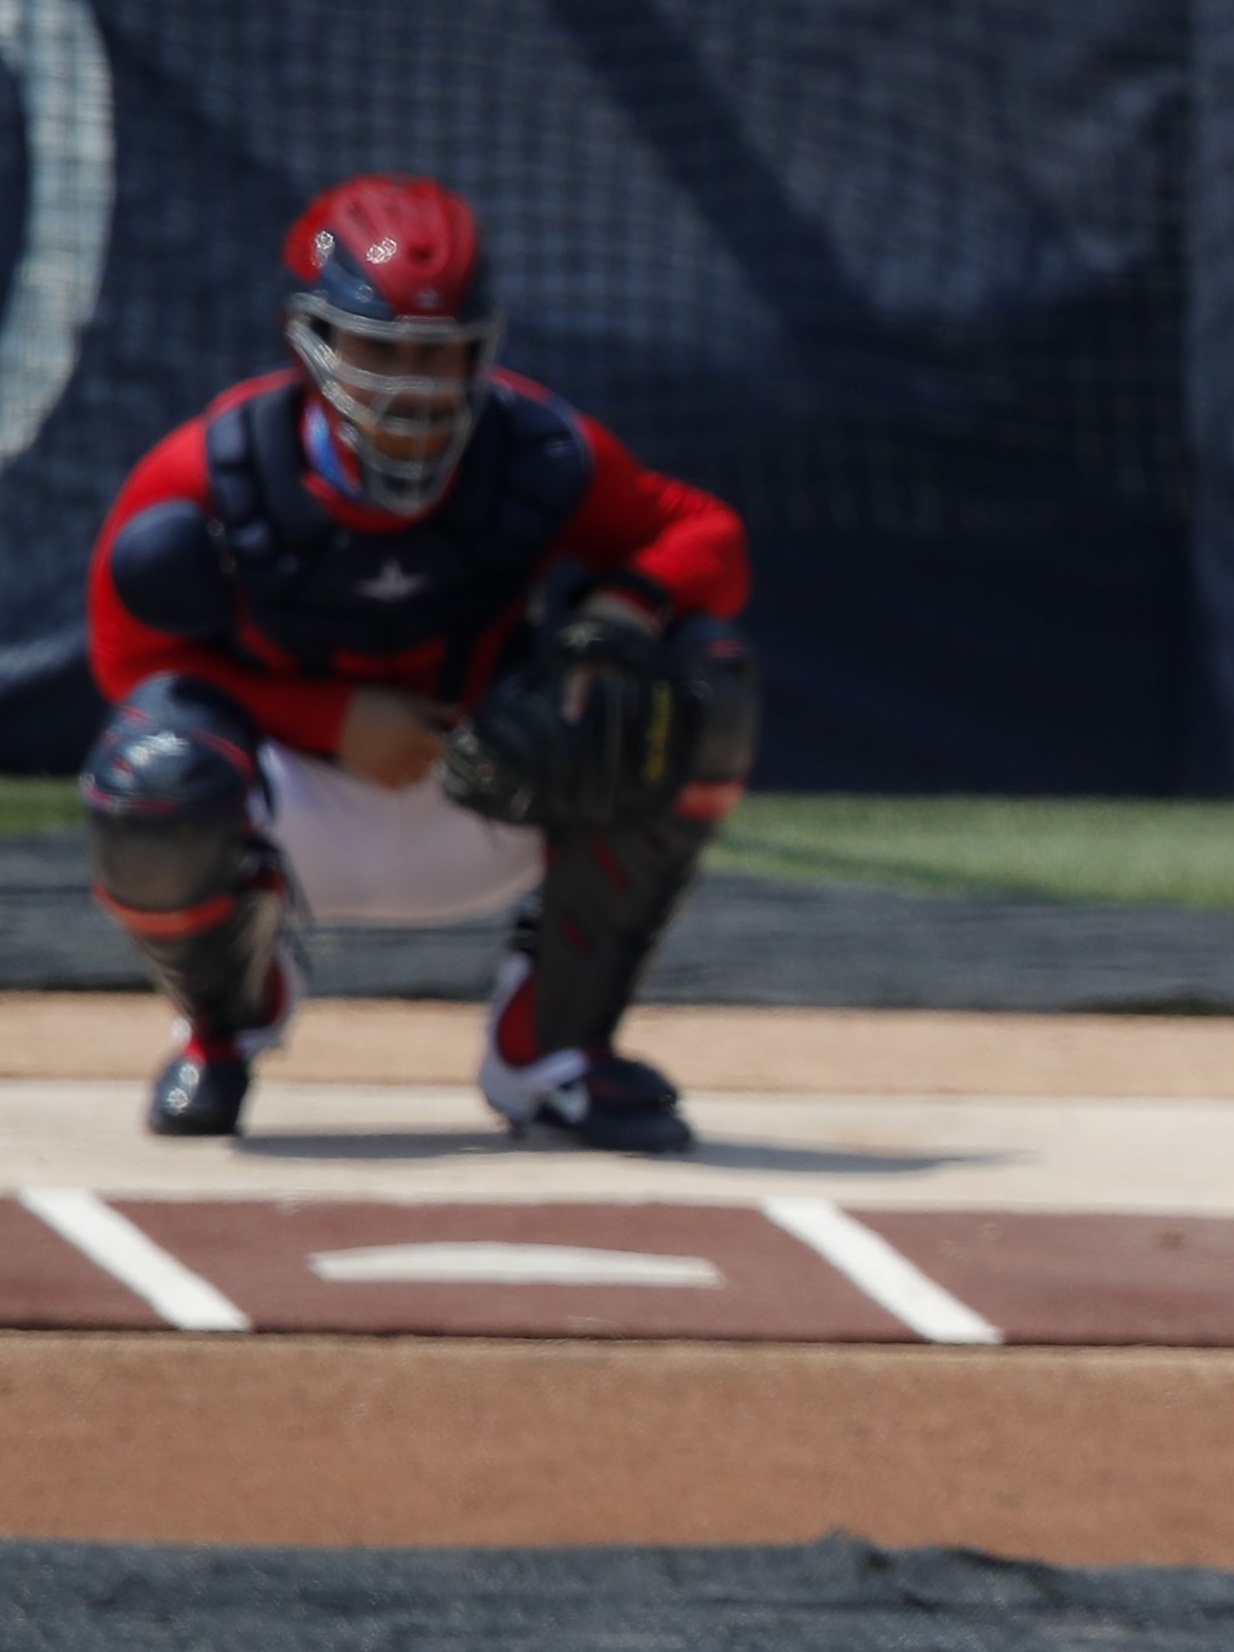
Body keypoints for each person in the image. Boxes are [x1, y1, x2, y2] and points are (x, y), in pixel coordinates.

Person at [77, 174, 756, 1150]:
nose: (416, 387)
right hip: (290, 801)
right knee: (150, 774)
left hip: (490, 778)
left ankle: (553, 1050)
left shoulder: (535, 447)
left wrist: (622, 607)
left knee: (703, 679)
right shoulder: (210, 469)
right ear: (311, 343)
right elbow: (126, 663)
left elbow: (709, 537)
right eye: (383, 351)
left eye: (442, 357)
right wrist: (328, 719)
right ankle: (224, 1023)